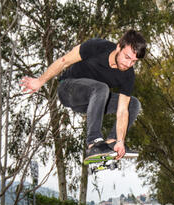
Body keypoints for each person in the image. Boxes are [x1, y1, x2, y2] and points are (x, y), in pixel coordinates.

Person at [20, 30, 146, 162]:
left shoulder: (128, 75)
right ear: (119, 46)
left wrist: (120, 140)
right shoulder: (97, 46)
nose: (128, 64)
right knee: (102, 88)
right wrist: (40, 81)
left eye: (133, 61)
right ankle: (94, 142)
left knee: (133, 104)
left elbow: (122, 111)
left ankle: (111, 143)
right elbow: (64, 61)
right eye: (126, 57)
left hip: (92, 101)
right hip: (68, 89)